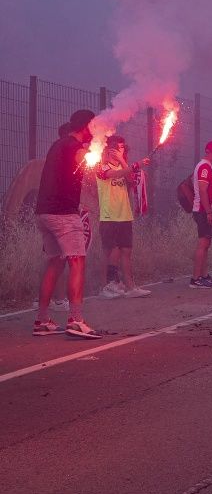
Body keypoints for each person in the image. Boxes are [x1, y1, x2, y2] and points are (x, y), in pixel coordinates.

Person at [33, 109, 102, 339]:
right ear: (86, 126)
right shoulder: (74, 147)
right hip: (63, 214)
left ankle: (42, 320)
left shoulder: (58, 144)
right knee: (77, 261)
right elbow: (89, 169)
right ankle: (76, 319)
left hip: (44, 212)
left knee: (55, 262)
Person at [96, 136, 151, 299]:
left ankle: (130, 287)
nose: (122, 150)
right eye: (119, 148)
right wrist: (135, 165)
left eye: (122, 148)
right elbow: (116, 174)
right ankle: (106, 286)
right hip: (109, 216)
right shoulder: (101, 166)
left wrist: (126, 162)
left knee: (126, 251)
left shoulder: (123, 165)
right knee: (111, 252)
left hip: (125, 215)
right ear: (111, 149)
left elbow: (131, 180)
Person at [190, 140, 212, 288]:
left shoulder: (208, 166)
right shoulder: (204, 166)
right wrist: (209, 211)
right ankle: (196, 278)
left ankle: (204, 276)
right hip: (204, 211)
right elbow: (203, 190)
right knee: (203, 243)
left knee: (206, 244)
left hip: (207, 210)